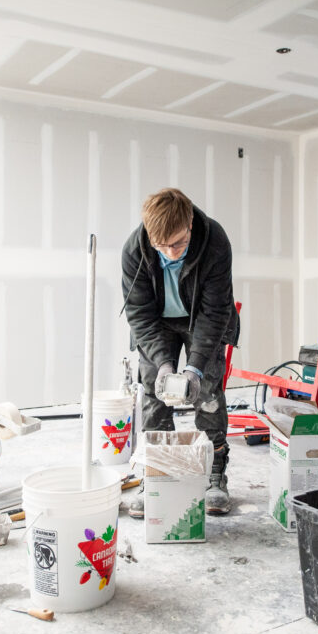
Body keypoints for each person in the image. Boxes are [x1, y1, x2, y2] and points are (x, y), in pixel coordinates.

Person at [120, 187, 240, 517]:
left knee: (209, 392)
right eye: (162, 246)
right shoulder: (136, 249)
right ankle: (158, 474)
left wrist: (196, 368)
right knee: (154, 394)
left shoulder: (214, 241)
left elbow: (215, 312)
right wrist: (162, 364)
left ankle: (214, 475)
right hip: (158, 321)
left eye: (178, 244)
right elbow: (139, 312)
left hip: (200, 317)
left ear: (189, 223)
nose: (170, 253)